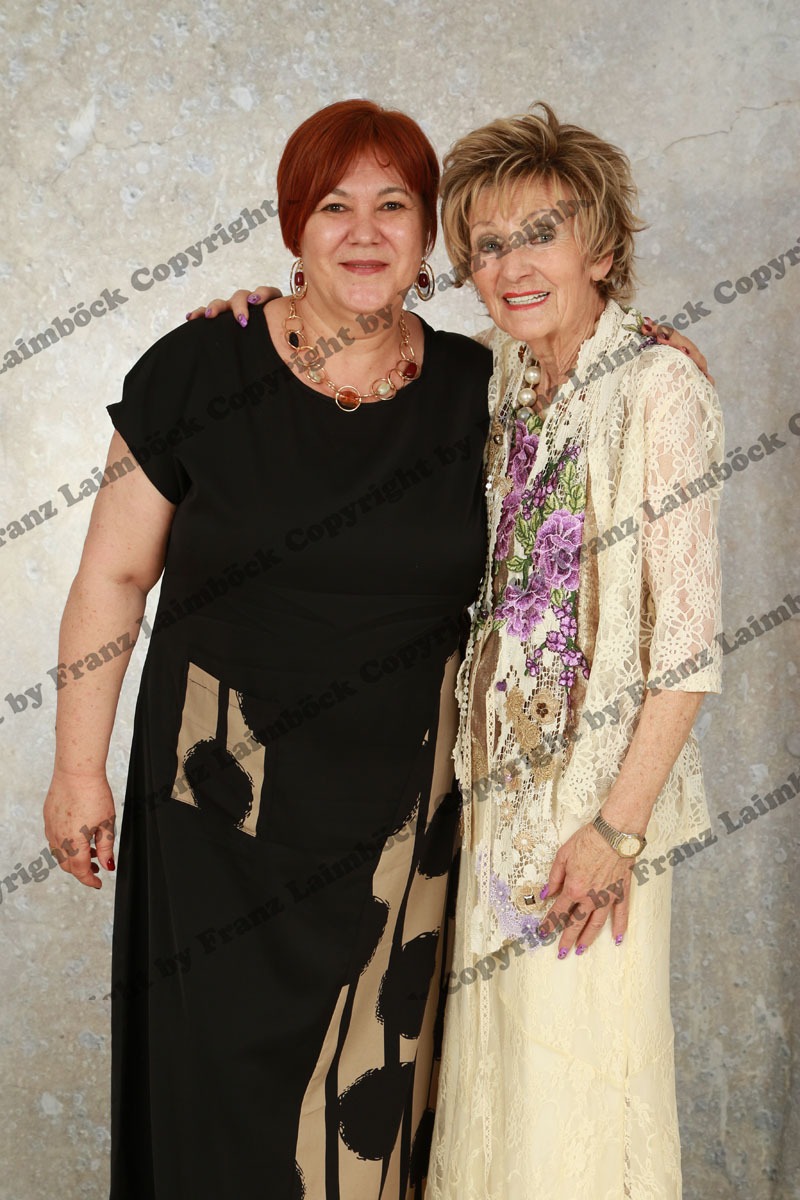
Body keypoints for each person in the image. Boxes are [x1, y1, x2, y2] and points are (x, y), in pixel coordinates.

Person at [43, 99, 495, 1199]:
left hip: (402, 826)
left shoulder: (483, 391)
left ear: (428, 231)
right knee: (213, 1102)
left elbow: (602, 387)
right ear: (294, 227)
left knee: (366, 1121)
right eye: (333, 206)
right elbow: (113, 578)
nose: (364, 232)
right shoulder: (199, 367)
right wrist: (76, 769)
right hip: (217, 810)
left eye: (393, 205)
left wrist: (649, 350)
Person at [423, 105, 723, 1198]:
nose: (511, 266)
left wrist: (614, 833)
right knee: (498, 1099)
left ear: (600, 249)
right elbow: (350, 345)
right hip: (493, 803)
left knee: (579, 1102)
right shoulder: (493, 378)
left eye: (540, 234)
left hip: (594, 815)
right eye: (487, 244)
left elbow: (685, 646)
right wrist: (251, 310)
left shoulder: (658, 390)